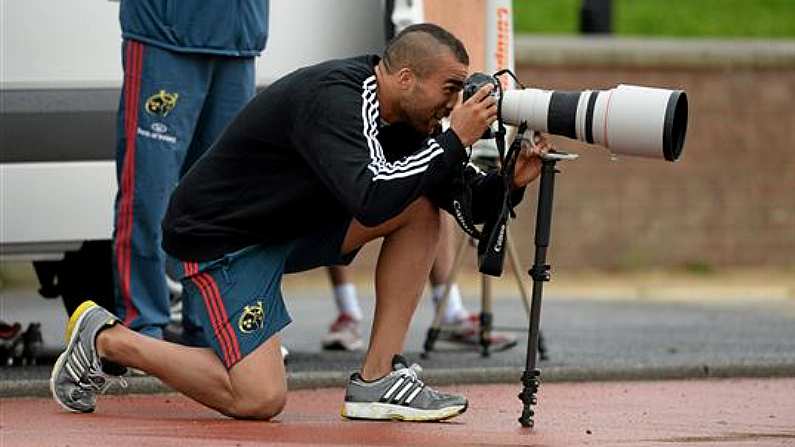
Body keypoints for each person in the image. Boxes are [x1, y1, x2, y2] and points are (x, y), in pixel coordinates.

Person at [51, 24, 550, 422]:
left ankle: (376, 382)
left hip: (285, 229)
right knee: (259, 399)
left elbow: (458, 199)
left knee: (420, 210)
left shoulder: (415, 121)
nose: (455, 103)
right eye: (450, 88)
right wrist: (454, 141)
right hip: (224, 239)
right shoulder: (336, 99)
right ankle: (107, 338)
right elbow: (372, 198)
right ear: (405, 79)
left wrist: (513, 182)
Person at [111, 0, 269, 346]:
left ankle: (210, 324)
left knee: (221, 199)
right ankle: (142, 325)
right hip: (165, 34)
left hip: (238, 40)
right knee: (148, 193)